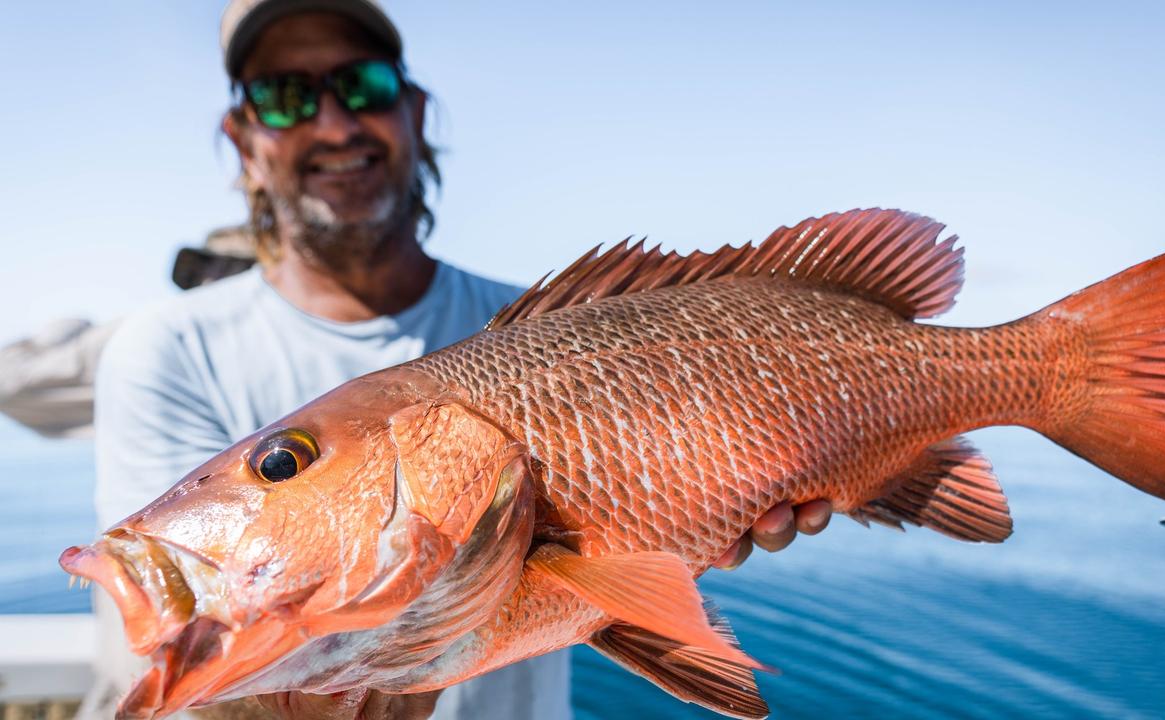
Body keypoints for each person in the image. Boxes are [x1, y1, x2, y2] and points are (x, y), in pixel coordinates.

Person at [86, 1, 832, 718]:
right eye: (284, 98)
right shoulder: (168, 351)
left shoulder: (549, 324)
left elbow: (626, 579)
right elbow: (214, 668)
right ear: (245, 141)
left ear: (413, 113)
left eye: (364, 86)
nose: (337, 123)